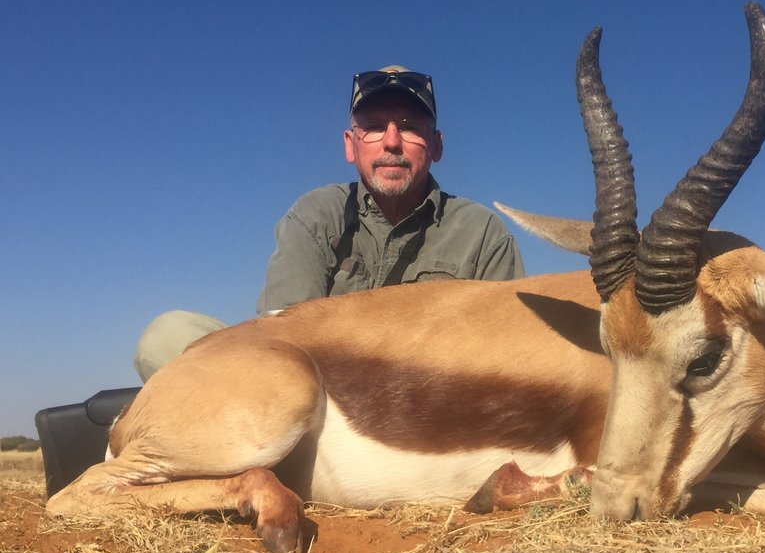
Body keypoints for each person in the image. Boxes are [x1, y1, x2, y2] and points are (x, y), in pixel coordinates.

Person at [132, 66, 524, 381]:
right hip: (315, 400)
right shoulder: (315, 213)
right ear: (350, 145)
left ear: (436, 145)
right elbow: (282, 339)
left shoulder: (484, 235)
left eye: (409, 127)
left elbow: (506, 359)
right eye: (372, 126)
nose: (391, 142)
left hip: (428, 414)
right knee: (167, 336)